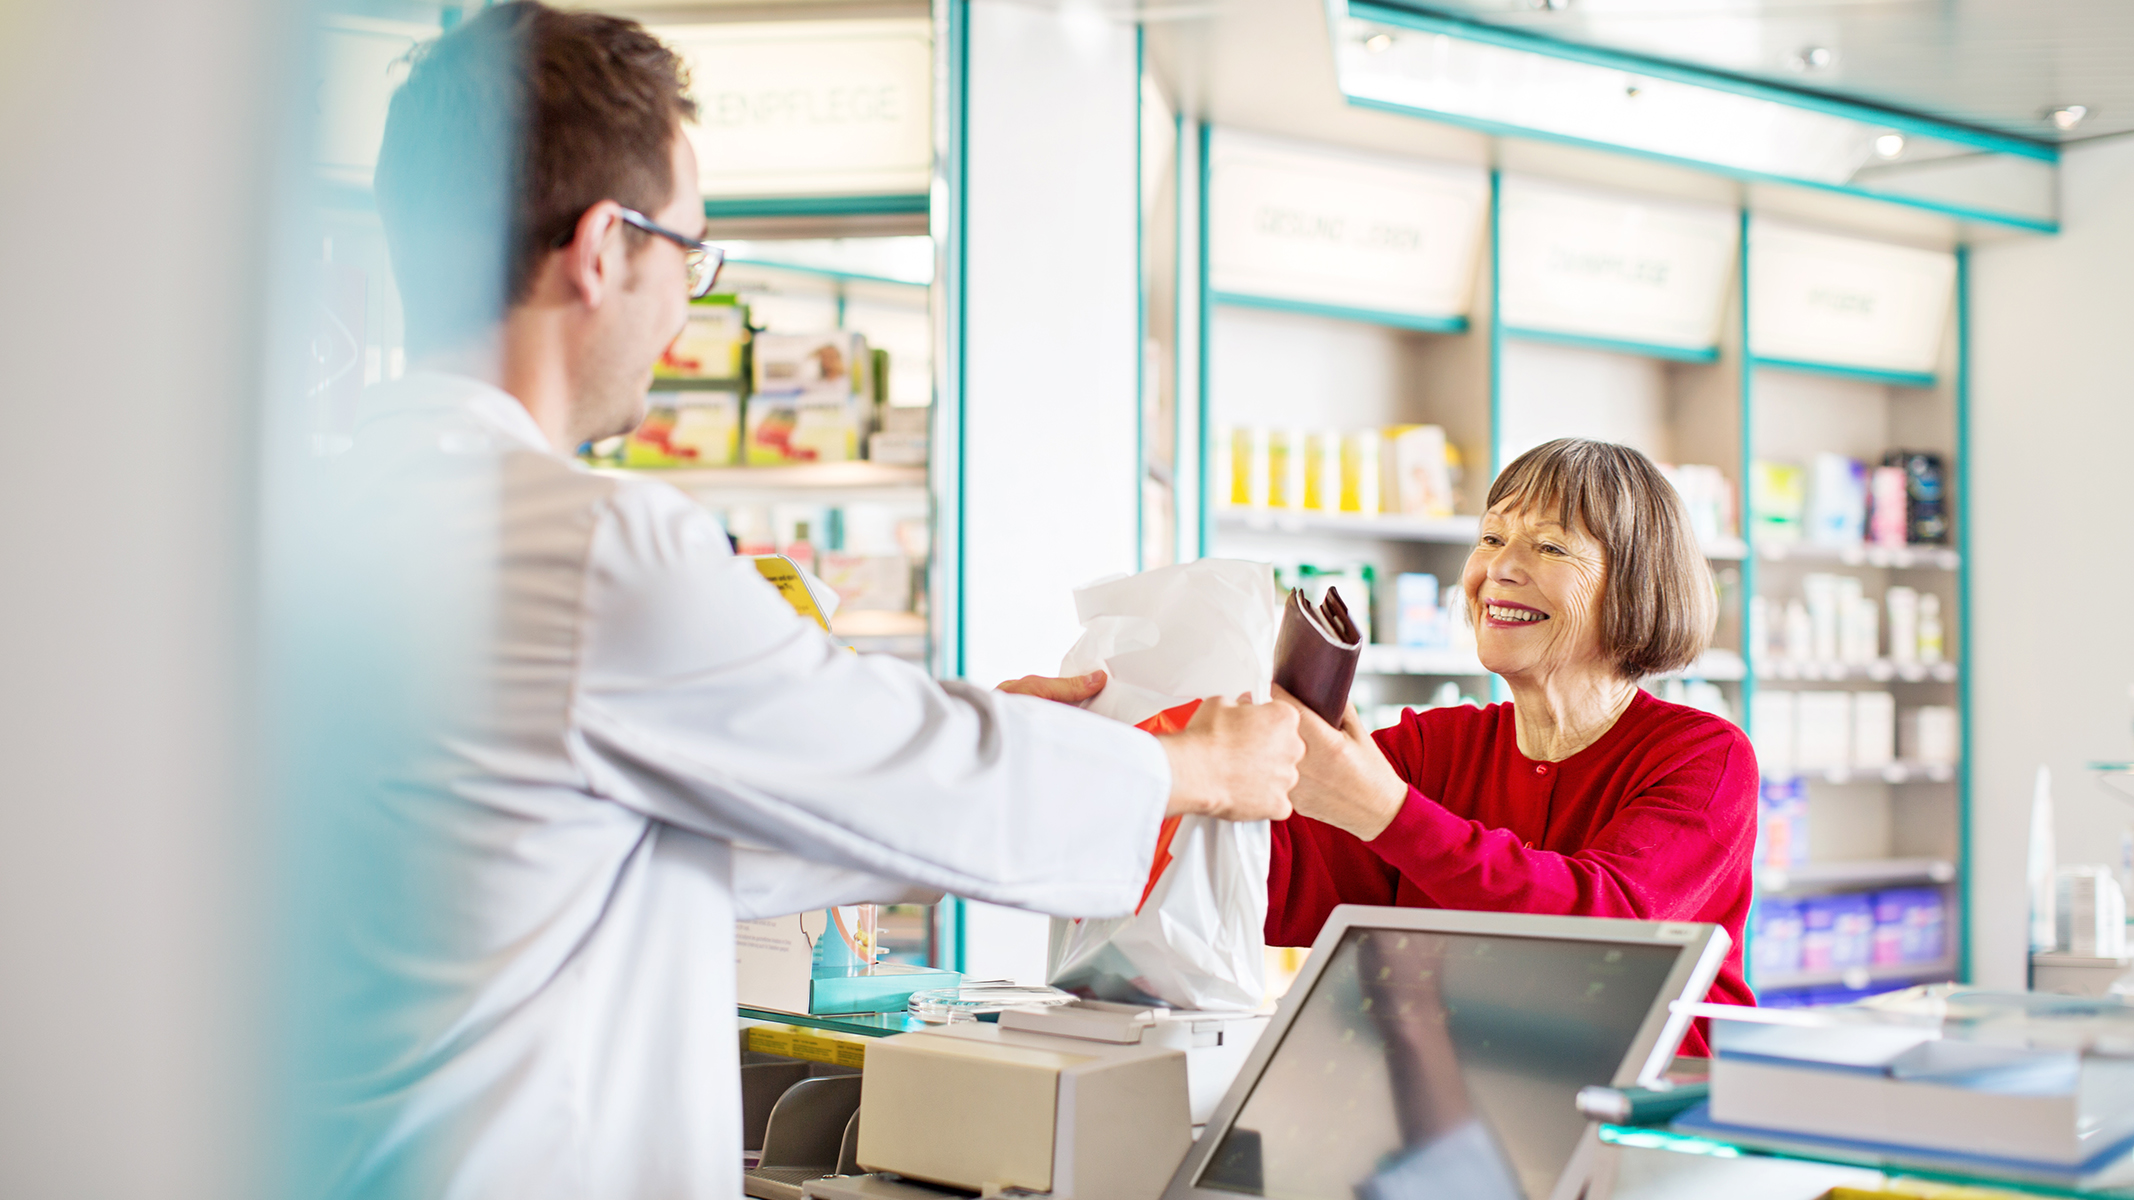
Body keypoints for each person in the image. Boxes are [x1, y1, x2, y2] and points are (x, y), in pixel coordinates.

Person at [289, 6, 1302, 1198]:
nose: (684, 309)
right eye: (690, 255)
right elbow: (889, 766)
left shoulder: (323, 529)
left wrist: (1009, 732)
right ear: (603, 246)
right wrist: (1189, 770)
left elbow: (636, 840)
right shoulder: (585, 549)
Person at [1268, 438, 1757, 1053]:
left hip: (1646, 1118)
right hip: (1470, 1114)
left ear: (1636, 584)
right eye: (1491, 539)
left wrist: (1385, 812)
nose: (1498, 569)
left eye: (1550, 546)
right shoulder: (1433, 748)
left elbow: (1606, 933)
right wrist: (1151, 761)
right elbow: (1268, 885)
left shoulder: (1703, 755)